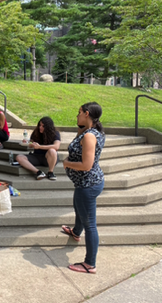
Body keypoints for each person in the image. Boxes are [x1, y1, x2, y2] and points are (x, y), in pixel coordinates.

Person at [62, 102, 105, 274]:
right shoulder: (92, 132)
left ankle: (90, 264)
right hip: (86, 183)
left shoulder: (89, 136)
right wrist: (81, 127)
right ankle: (75, 232)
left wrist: (67, 163)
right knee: (78, 208)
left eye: (79, 112)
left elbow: (86, 165)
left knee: (91, 225)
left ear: (86, 114)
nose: (77, 115)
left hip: (88, 185)